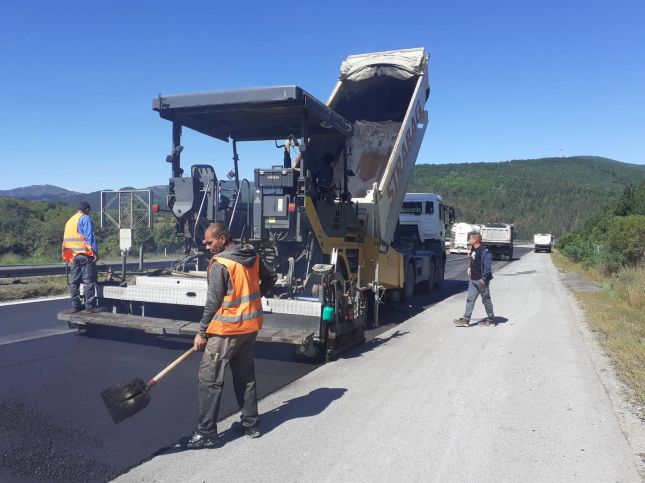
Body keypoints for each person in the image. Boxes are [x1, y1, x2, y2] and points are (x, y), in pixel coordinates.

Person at [187, 223, 277, 449]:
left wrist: (201, 333)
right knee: (245, 377)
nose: (207, 247)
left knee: (209, 378)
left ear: (223, 238)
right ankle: (251, 424)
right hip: (249, 327)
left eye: (210, 242)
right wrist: (255, 298)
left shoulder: (221, 263)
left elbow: (213, 302)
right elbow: (271, 277)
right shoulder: (252, 255)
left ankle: (206, 432)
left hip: (227, 330)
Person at [62, 201, 101, 313]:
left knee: (74, 282)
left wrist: (68, 256)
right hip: (85, 254)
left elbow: (66, 240)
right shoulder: (85, 218)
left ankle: (76, 306)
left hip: (73, 255)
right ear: (87, 209)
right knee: (88, 281)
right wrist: (95, 253)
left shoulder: (70, 220)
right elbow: (89, 237)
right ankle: (90, 307)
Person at [453, 232, 495, 327]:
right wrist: (470, 267)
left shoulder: (484, 251)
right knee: (470, 299)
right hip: (473, 279)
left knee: (486, 300)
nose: (469, 240)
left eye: (470, 239)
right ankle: (466, 319)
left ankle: (491, 319)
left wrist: (484, 279)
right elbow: (474, 260)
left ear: (475, 240)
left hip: (481, 280)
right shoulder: (474, 249)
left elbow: (487, 266)